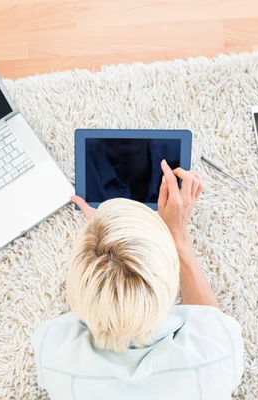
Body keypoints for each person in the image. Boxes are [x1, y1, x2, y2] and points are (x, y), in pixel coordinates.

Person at [31, 160, 244, 399]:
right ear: (169, 281)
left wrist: (99, 239)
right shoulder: (219, 354)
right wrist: (178, 235)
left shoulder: (53, 353)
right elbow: (211, 321)